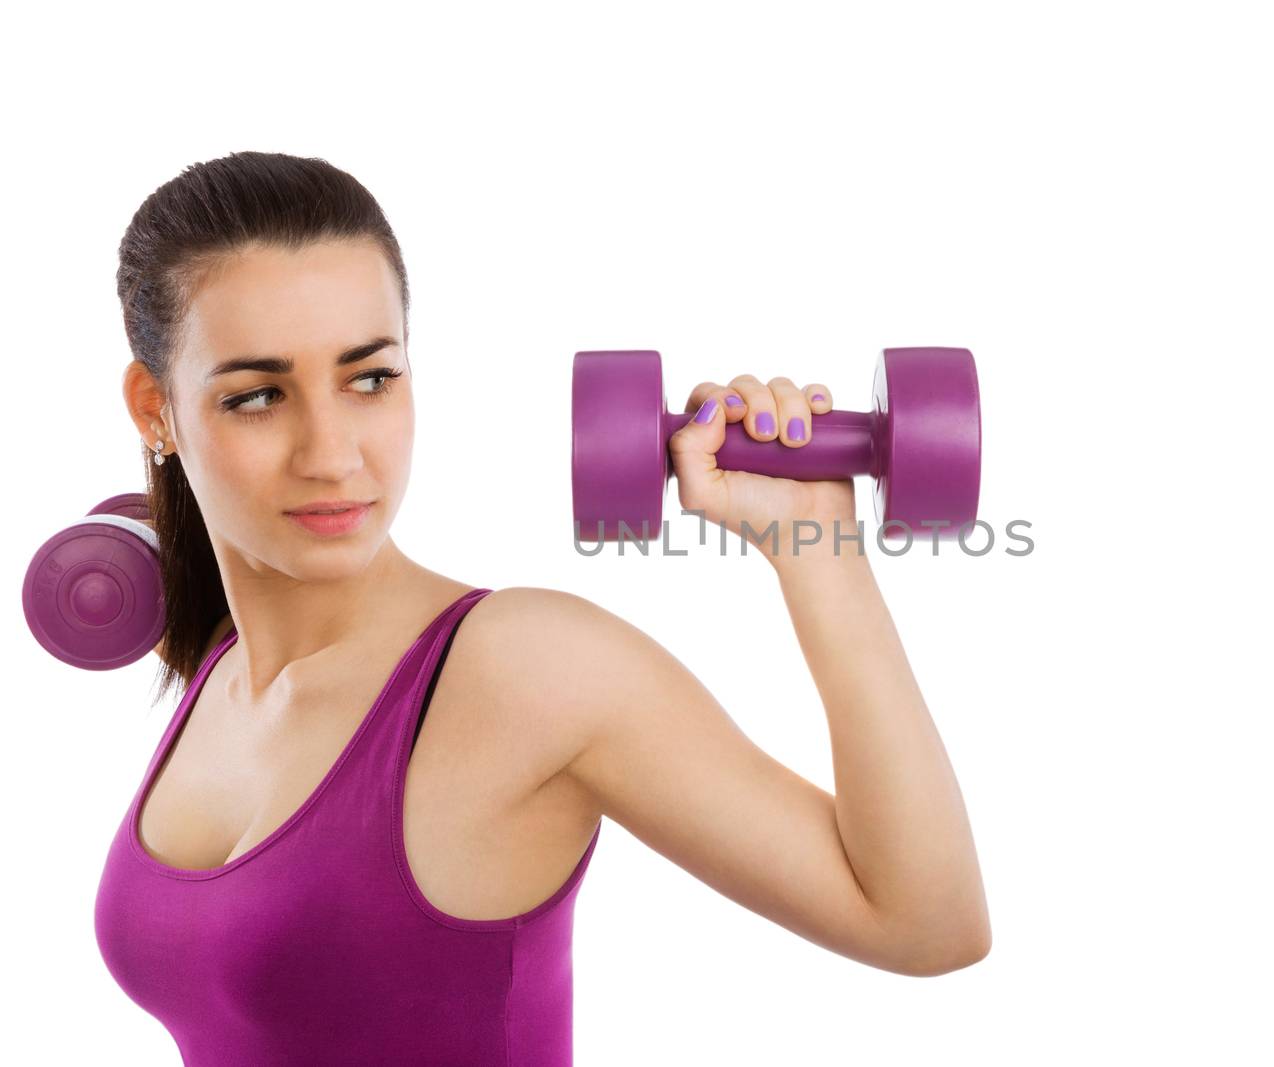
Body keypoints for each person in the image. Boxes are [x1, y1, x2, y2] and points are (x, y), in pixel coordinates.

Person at [93, 150, 989, 1065]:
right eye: (256, 397)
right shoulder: (215, 668)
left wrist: (816, 543)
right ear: (155, 410)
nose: (331, 455)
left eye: (370, 378)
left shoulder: (521, 669)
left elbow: (927, 923)